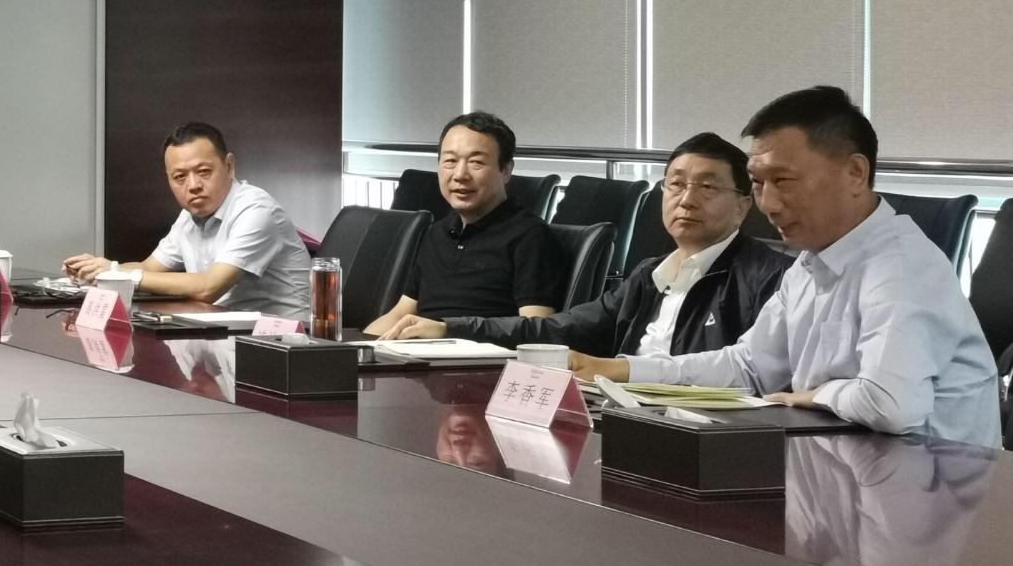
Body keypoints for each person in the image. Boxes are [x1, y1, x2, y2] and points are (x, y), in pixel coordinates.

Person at [573, 86, 1000, 446]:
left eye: (784, 181)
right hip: (844, 468)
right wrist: (623, 369)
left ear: (855, 173)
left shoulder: (901, 265)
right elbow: (749, 366)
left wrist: (814, 395)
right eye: (758, 183)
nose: (768, 204)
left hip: (927, 486)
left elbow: (890, 403)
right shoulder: (811, 264)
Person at [389, 132, 789, 356]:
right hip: (626, 412)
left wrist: (620, 374)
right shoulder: (649, 275)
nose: (686, 199)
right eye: (676, 184)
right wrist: (452, 329)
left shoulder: (769, 278)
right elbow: (559, 328)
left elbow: (752, 375)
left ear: (743, 205)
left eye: (707, 187)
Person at [63, 121, 311, 319]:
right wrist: (101, 270)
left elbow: (208, 287)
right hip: (222, 331)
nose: (193, 185)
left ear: (229, 166)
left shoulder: (256, 210)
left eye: (204, 172)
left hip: (281, 342)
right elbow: (149, 268)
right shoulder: (189, 217)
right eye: (180, 177)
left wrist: (122, 275)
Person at [365, 111, 564, 337]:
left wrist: (448, 331)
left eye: (476, 162)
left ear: (506, 171)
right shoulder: (436, 233)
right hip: (419, 352)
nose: (460, 174)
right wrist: (354, 350)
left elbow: (537, 330)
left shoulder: (530, 236)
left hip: (478, 357)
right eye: (450, 161)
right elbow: (401, 314)